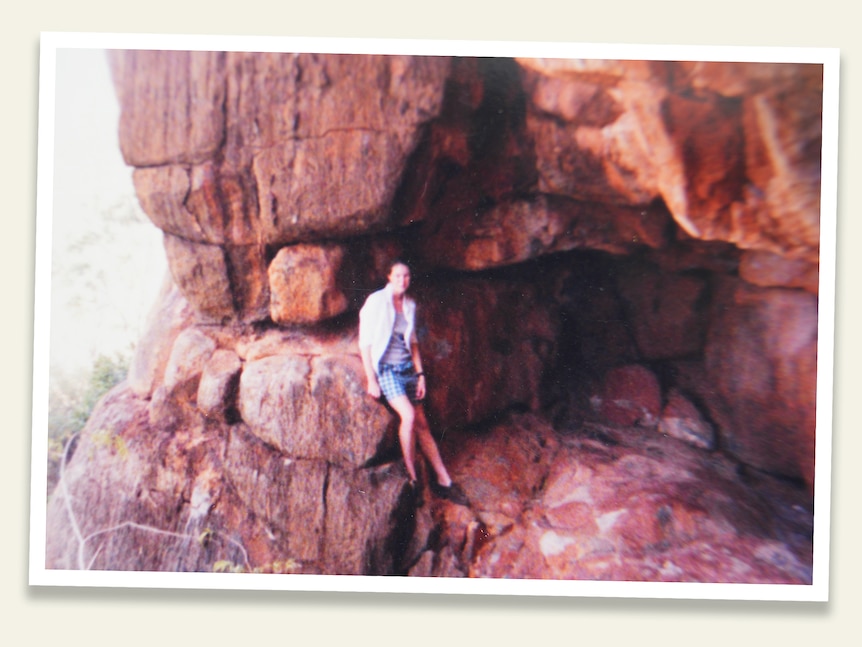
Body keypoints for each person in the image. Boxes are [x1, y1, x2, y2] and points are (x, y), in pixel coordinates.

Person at [358, 260, 468, 505]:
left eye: (406, 276)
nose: (402, 280)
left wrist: (420, 375)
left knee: (422, 425)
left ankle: (444, 480)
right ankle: (413, 477)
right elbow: (364, 343)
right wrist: (371, 379)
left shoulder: (410, 304)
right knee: (407, 417)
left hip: (408, 369)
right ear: (389, 277)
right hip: (388, 371)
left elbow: (414, 343)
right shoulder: (376, 302)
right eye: (397, 276)